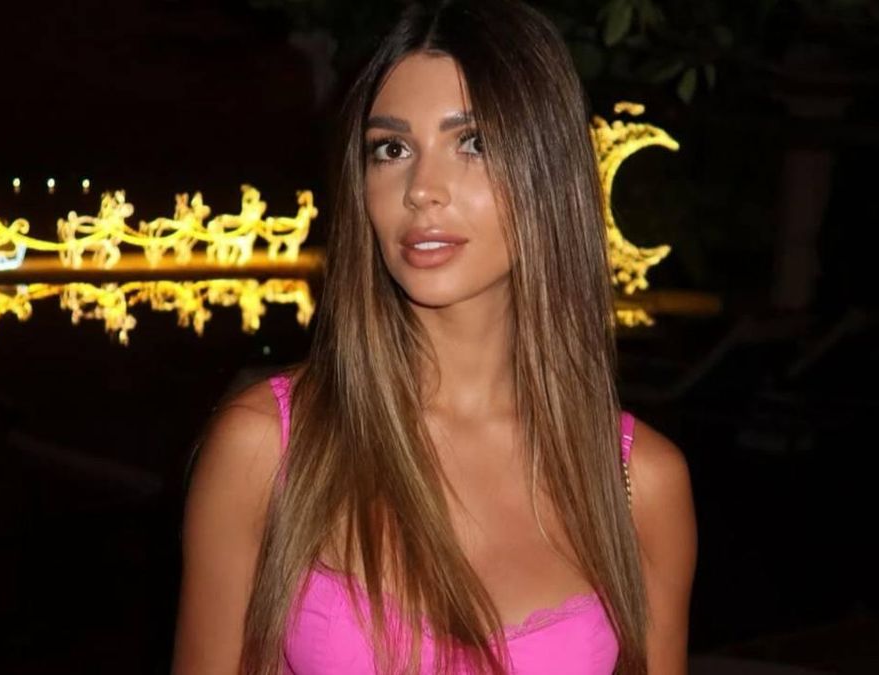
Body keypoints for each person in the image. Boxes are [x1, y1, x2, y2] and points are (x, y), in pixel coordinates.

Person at [171, 1, 696, 672]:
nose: (422, 189)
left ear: (547, 174)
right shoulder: (268, 450)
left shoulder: (637, 484)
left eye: (472, 142)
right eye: (391, 150)